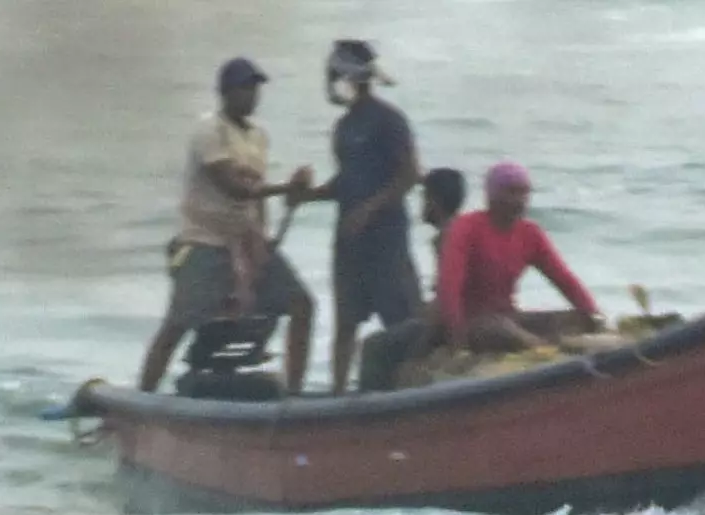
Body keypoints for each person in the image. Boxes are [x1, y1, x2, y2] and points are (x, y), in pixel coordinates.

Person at [139, 57, 316, 397]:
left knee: (301, 304)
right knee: (177, 324)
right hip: (205, 242)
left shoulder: (259, 136)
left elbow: (256, 196)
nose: (251, 96)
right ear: (225, 92)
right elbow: (234, 187)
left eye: (255, 89)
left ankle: (294, 397)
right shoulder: (209, 131)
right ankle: (143, 398)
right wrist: (286, 189)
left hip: (245, 241)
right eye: (244, 88)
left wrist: (261, 241)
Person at [319, 40, 421, 393]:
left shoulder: (388, 120)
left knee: (402, 320)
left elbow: (409, 174)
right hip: (348, 239)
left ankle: (408, 390)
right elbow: (346, 179)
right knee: (345, 322)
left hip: (386, 238)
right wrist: (308, 195)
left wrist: (370, 209)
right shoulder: (344, 126)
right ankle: (336, 395)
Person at [435, 160, 601, 356]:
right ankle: (547, 351)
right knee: (501, 328)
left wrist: (593, 315)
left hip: (509, 316)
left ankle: (558, 345)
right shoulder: (466, 228)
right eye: (511, 192)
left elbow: (564, 280)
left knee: (578, 319)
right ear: (492, 196)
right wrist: (457, 341)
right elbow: (449, 288)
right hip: (473, 321)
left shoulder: (530, 233)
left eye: (524, 193)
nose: (519, 200)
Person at [352, 166, 466, 387]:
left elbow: (449, 298)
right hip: (456, 315)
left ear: (435, 201)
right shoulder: (463, 230)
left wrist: (420, 347)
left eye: (425, 198)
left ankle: (374, 410)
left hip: (450, 323)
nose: (422, 206)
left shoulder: (446, 239)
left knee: (373, 346)